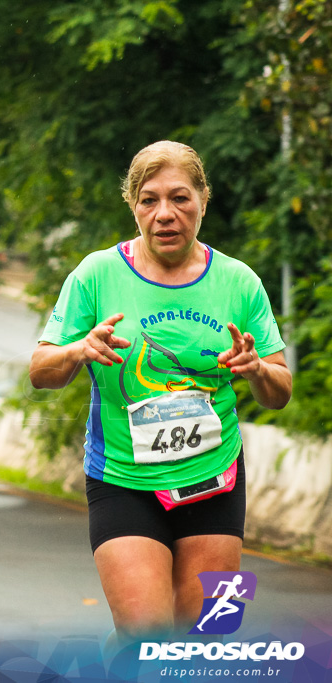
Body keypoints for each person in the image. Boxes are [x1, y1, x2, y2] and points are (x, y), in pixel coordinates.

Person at [29, 141, 292, 646]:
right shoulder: (96, 274)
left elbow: (279, 392)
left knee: (211, 642)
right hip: (124, 480)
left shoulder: (239, 282)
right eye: (149, 200)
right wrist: (79, 350)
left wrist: (256, 368)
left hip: (216, 480)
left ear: (203, 200)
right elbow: (42, 371)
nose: (165, 214)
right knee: (144, 637)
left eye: (180, 198)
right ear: (132, 205)